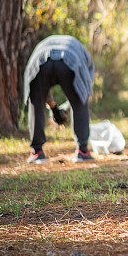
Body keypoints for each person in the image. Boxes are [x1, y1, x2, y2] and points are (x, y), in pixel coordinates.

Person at [23, 35, 96, 164]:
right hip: (69, 58)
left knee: (36, 102)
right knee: (80, 102)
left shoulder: (45, 43)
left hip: (40, 60)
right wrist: (55, 106)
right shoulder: (84, 56)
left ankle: (37, 152)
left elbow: (39, 92)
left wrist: (57, 107)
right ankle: (82, 151)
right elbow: (83, 91)